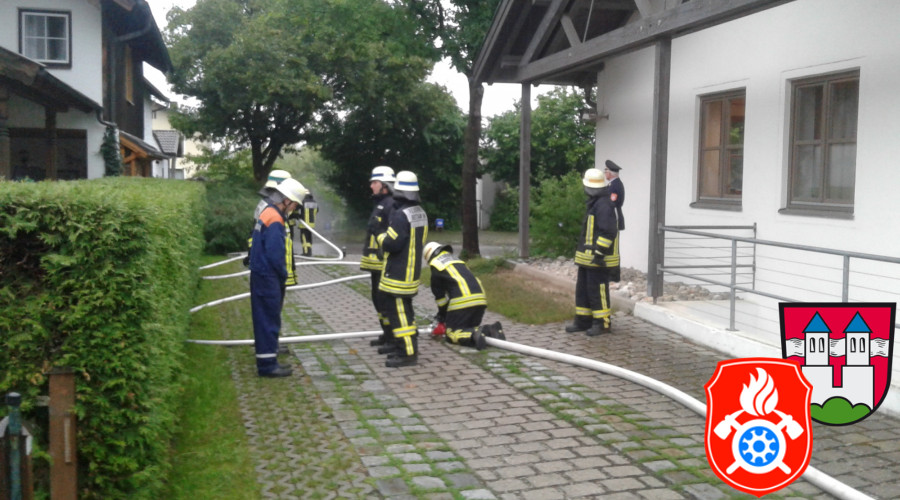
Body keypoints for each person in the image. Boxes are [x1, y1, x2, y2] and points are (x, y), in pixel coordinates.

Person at [249, 178, 307, 377]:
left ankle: (267, 359)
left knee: (264, 319)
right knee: (268, 321)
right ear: (287, 200)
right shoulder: (275, 218)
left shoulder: (267, 212)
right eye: (295, 205)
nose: (294, 209)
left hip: (260, 274)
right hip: (268, 276)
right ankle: (267, 366)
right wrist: (283, 274)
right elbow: (275, 252)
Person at [376, 171, 428, 368]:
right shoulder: (420, 212)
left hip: (397, 273)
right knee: (405, 312)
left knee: (400, 314)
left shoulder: (400, 215)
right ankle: (400, 346)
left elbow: (392, 243)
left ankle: (407, 353)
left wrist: (379, 235)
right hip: (411, 271)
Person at [565, 168, 620, 336]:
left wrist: (599, 254)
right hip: (588, 259)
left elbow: (608, 232)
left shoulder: (604, 205)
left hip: (599, 259)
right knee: (583, 290)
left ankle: (603, 323)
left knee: (598, 291)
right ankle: (583, 321)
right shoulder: (596, 203)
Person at [423, 242, 505, 350]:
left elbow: (441, 299)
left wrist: (442, 317)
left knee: (452, 333)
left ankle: (473, 335)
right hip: (480, 300)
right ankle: (490, 330)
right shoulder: (457, 261)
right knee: (467, 328)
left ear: (429, 257)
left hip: (463, 302)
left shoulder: (436, 267)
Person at [361, 166, 396, 349]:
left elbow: (390, 234)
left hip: (382, 263)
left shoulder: (390, 205)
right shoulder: (380, 204)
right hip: (374, 264)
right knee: (377, 299)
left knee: (384, 300)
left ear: (384, 185)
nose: (371, 186)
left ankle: (392, 337)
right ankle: (386, 333)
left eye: (374, 182)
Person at [605, 159, 625, 231]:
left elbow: (611, 203)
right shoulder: (613, 184)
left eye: (606, 170)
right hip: (612, 218)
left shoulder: (615, 185)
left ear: (610, 173)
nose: (605, 173)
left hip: (613, 218)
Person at [298, 191, 318, 257]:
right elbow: (317, 210)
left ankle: (306, 252)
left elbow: (296, 209)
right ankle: (309, 252)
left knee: (304, 238)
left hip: (304, 224)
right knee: (309, 238)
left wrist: (297, 215)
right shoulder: (315, 202)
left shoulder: (303, 202)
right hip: (311, 224)